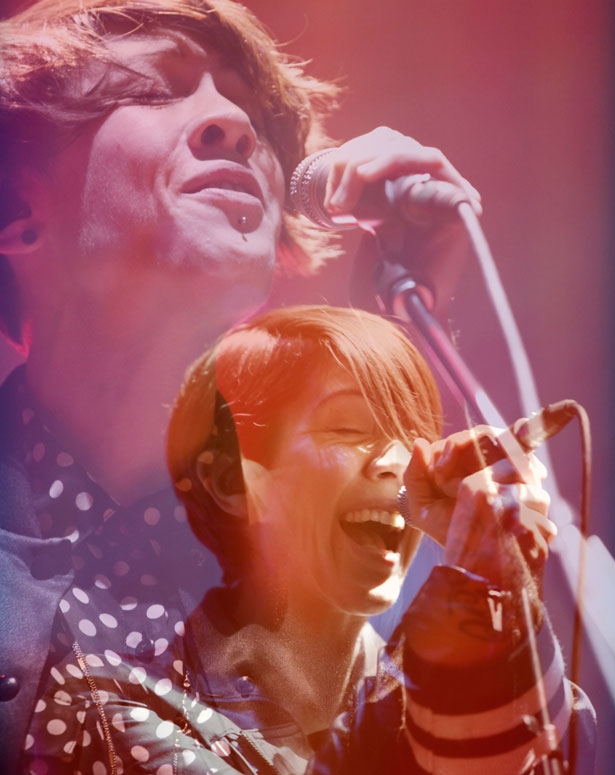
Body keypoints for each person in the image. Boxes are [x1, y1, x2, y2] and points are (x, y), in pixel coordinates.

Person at [0, 0, 483, 771]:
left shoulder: (331, 521)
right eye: (156, 90)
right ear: (17, 209)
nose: (233, 123)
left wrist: (396, 337)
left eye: (247, 106)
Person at [22, 305, 592, 773]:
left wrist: (497, 590)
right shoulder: (118, 705)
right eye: (349, 429)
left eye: (415, 435)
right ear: (232, 482)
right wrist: (471, 593)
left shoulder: (506, 689)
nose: (400, 463)